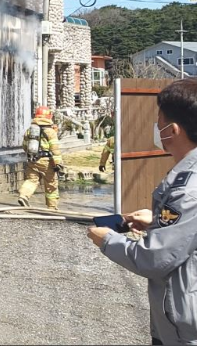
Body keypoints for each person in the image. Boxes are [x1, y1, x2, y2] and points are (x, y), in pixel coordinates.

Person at [89, 79, 197, 345]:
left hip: (185, 329)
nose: (157, 128)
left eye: (158, 122)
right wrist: (157, 223)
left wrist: (106, 239)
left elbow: (154, 258)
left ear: (173, 130)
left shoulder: (188, 188)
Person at [17, 106, 64, 210]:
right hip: (47, 163)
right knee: (51, 184)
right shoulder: (50, 132)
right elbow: (55, 149)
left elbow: (24, 146)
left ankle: (23, 196)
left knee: (31, 180)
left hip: (32, 160)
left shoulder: (30, 130)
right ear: (48, 116)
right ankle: (52, 207)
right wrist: (58, 164)